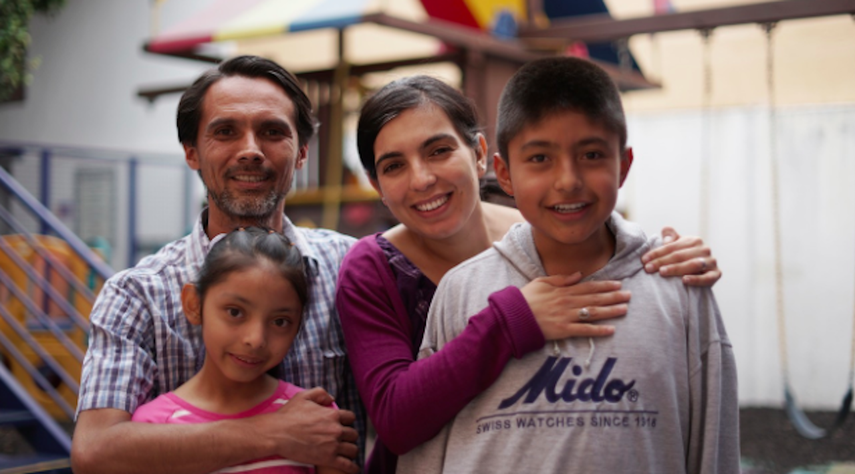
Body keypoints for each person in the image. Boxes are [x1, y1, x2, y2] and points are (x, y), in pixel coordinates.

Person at [336, 76, 723, 473]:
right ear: (376, 185)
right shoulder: (374, 268)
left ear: (480, 154)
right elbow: (394, 418)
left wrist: (662, 257)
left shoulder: (551, 227)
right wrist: (512, 321)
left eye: (439, 151)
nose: (421, 179)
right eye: (394, 166)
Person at [72, 56, 360, 474]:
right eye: (225, 131)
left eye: (272, 131)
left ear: (301, 152)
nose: (250, 150)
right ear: (191, 152)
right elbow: (95, 452)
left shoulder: (350, 270)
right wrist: (274, 434)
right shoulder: (137, 295)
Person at [132, 227, 344, 474]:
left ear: (298, 325)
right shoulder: (152, 428)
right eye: (235, 312)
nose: (256, 339)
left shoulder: (316, 422)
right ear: (194, 305)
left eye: (280, 321)